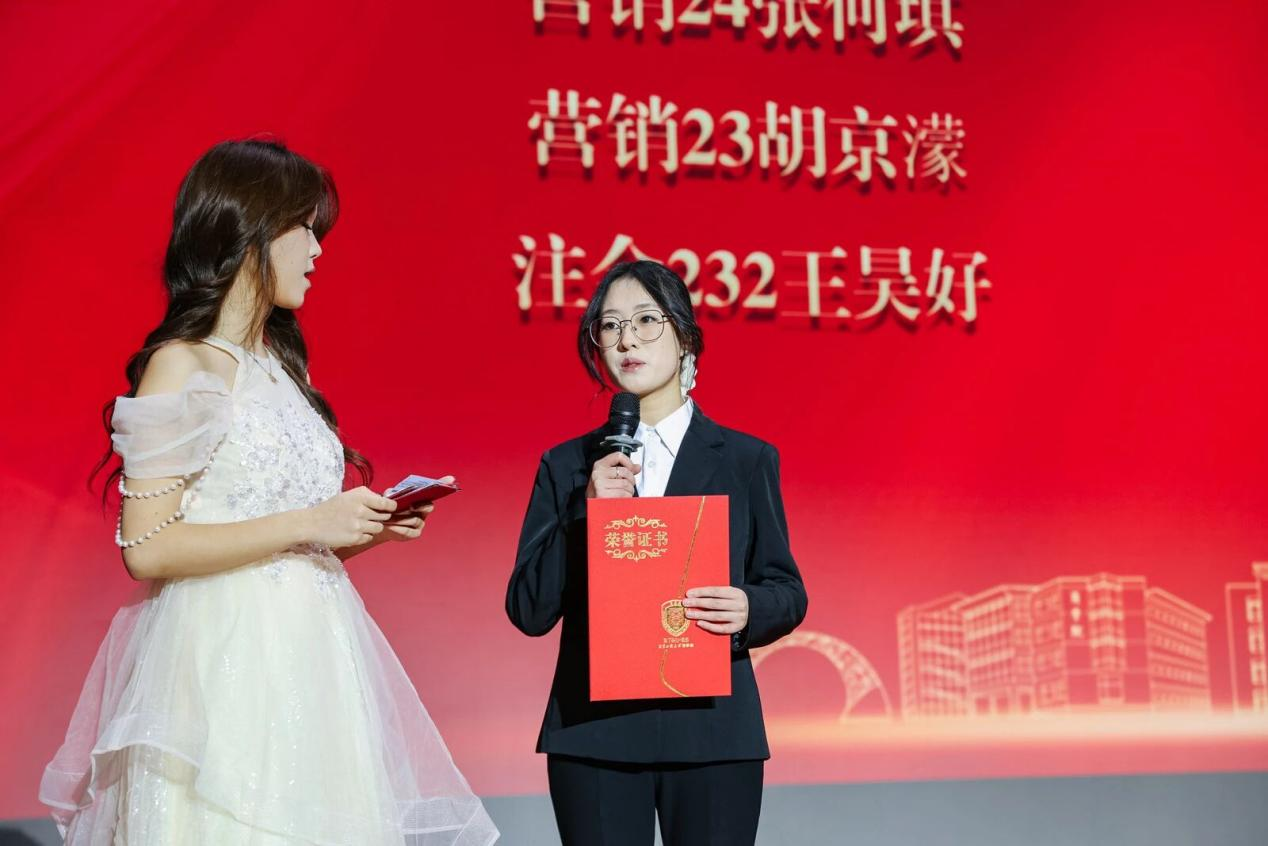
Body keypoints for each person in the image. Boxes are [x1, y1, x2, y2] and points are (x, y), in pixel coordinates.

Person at [40, 139, 498, 846]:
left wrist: (360, 529)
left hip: (315, 658)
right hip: (222, 664)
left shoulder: (283, 370)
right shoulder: (185, 364)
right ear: (251, 229)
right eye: (304, 228)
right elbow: (148, 549)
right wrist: (311, 521)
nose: (317, 249)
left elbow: (283, 544)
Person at [506, 260, 808, 845]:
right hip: (595, 733)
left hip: (713, 731)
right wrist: (583, 515)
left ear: (686, 338)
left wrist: (749, 608)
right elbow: (528, 609)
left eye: (647, 320)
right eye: (610, 325)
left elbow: (787, 590)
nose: (627, 340)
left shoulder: (745, 459)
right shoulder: (568, 465)